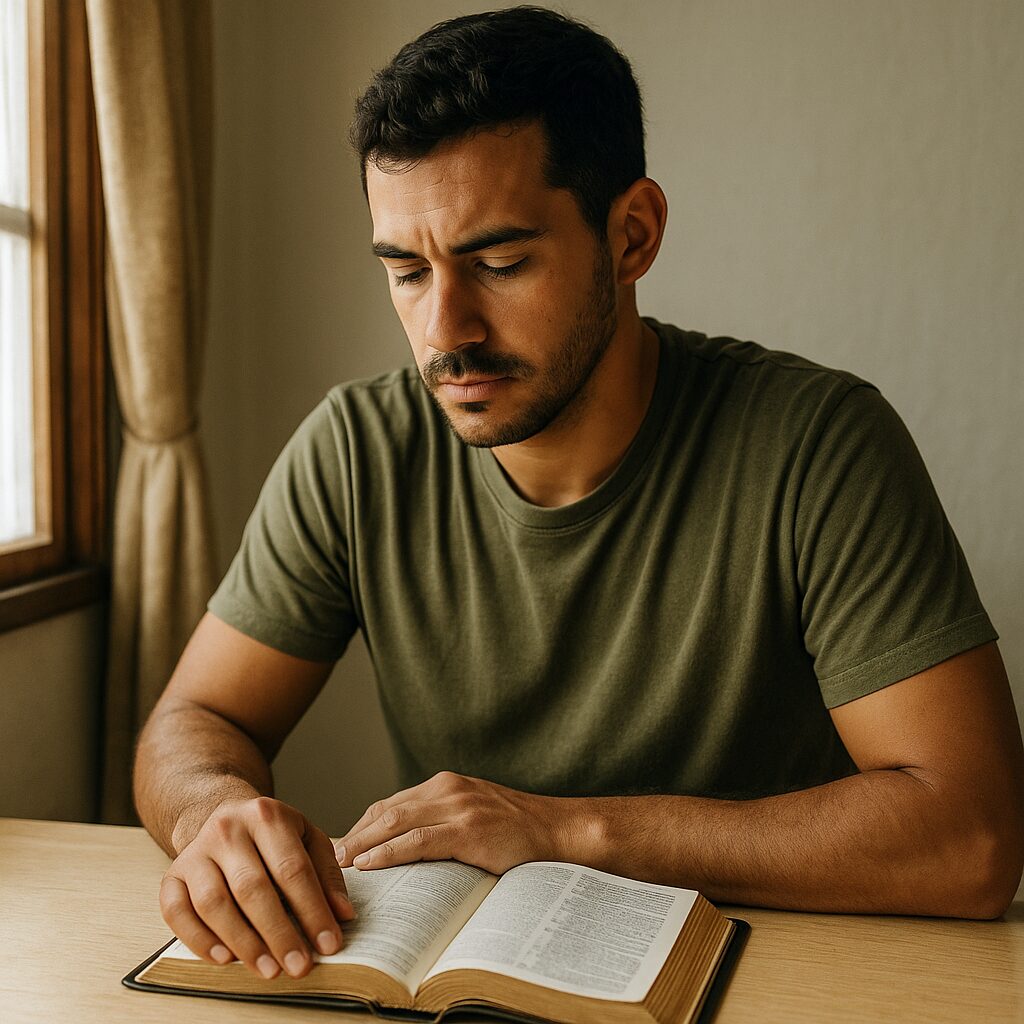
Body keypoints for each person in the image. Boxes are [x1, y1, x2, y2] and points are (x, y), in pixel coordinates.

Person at [135, 6, 1024, 983]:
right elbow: (195, 719)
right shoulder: (356, 448)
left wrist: (565, 830)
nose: (445, 331)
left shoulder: (818, 443)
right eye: (407, 271)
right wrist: (216, 813)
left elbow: (972, 837)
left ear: (631, 234)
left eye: (499, 263)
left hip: (773, 977)